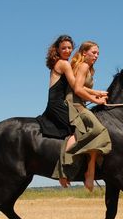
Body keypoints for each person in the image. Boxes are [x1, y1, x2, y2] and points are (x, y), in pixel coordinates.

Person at [53, 41, 112, 191]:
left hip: (80, 104)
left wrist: (97, 92)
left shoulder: (88, 68)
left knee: (93, 133)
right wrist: (96, 99)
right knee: (99, 130)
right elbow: (78, 90)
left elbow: (81, 86)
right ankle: (72, 170)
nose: (96, 56)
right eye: (94, 52)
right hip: (74, 104)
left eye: (98, 53)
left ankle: (90, 170)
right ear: (84, 53)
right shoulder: (84, 66)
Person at [39, 35, 78, 188]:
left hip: (57, 103)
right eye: (64, 48)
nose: (67, 50)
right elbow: (76, 87)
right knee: (80, 130)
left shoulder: (62, 63)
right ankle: (63, 172)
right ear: (58, 50)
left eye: (69, 48)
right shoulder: (63, 64)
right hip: (57, 104)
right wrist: (98, 94)